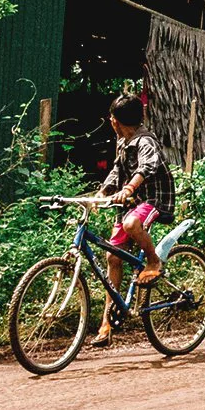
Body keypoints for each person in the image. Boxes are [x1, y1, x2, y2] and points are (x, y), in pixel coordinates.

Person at [80, 95, 172, 342]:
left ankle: (153, 261)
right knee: (112, 256)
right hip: (129, 204)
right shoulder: (123, 143)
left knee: (132, 224)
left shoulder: (145, 141)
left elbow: (147, 167)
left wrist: (129, 188)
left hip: (151, 200)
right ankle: (107, 323)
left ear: (114, 121)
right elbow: (116, 171)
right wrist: (103, 192)